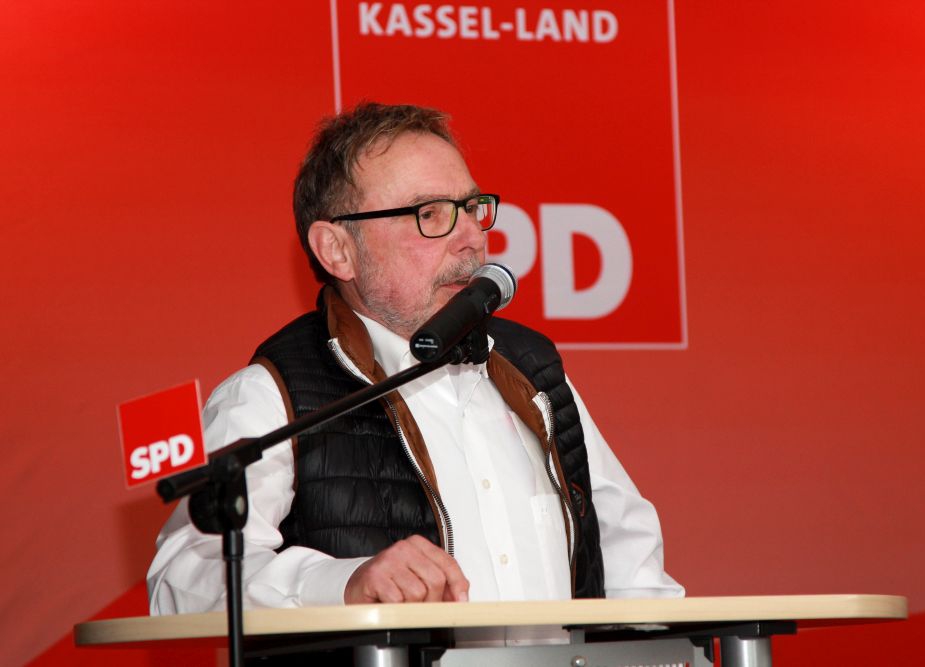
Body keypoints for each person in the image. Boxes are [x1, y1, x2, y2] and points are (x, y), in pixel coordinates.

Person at [147, 102, 683, 613]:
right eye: (430, 214)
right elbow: (182, 579)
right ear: (337, 250)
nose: (471, 238)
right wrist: (342, 585)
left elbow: (627, 554)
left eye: (471, 208)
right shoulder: (273, 394)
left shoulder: (531, 368)